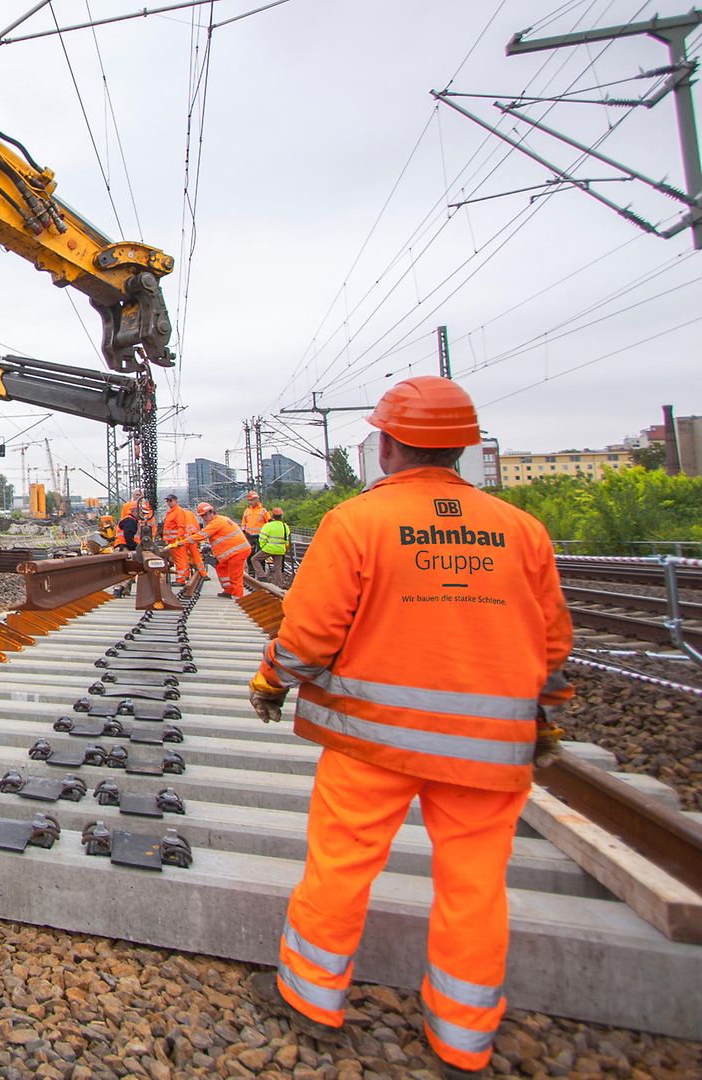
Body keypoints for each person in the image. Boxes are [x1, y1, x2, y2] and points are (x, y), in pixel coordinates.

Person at [244, 376, 574, 1079]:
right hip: (489, 749)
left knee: (341, 863)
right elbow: (550, 644)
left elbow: (308, 637)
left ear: (387, 445)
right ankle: (463, 1037)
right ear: (462, 450)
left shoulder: (357, 522)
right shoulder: (520, 529)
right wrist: (543, 720)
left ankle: (312, 1000)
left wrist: (273, 682)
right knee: (477, 883)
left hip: (373, 740)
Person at [159, 493, 200, 585]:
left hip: (176, 541)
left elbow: (181, 526)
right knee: (179, 559)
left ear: (176, 501)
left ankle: (181, 579)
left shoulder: (178, 511)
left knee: (180, 559)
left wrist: (178, 540)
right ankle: (183, 576)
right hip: (172, 541)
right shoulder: (171, 512)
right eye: (167, 501)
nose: (168, 503)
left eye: (170, 501)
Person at [257, 507, 293, 577]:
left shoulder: (268, 526)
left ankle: (262, 576)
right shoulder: (285, 526)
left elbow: (262, 538)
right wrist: (285, 550)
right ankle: (279, 585)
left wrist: (263, 547)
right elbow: (287, 541)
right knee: (278, 568)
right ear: (281, 516)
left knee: (254, 559)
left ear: (272, 516)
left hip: (268, 549)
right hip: (280, 550)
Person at [241, 490, 271, 563]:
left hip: (260, 536)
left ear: (257, 500)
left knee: (260, 555)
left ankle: (261, 572)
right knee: (249, 554)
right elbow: (243, 523)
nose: (250, 502)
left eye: (252, 500)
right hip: (249, 536)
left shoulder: (263, 511)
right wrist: (244, 533)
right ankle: (252, 572)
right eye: (249, 500)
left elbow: (269, 523)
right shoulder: (246, 511)